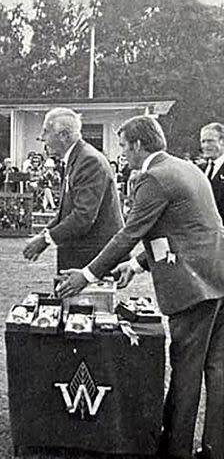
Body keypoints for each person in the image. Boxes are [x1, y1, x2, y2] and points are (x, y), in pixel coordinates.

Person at [56, 115, 224, 459]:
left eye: (122, 146)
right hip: (218, 280)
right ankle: (214, 448)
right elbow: (184, 231)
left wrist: (86, 276)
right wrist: (135, 265)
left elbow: (128, 234)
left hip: (193, 289)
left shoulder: (152, 178)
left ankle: (174, 449)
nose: (122, 154)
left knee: (187, 372)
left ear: (137, 144)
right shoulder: (187, 168)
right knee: (217, 370)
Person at [23, 107, 124, 271]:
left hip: (91, 258)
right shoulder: (77, 159)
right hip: (83, 255)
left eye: (46, 132)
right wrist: (44, 235)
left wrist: (46, 239)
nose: (42, 138)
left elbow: (83, 217)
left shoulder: (88, 161)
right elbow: (66, 212)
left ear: (63, 135)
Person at [199, 122, 224, 223]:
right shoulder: (199, 170)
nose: (205, 146)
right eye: (203, 141)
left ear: (222, 141)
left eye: (210, 141)